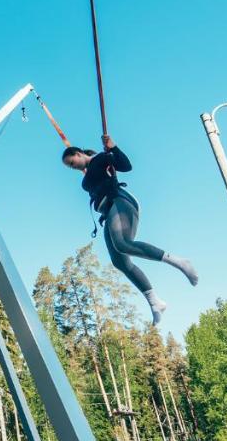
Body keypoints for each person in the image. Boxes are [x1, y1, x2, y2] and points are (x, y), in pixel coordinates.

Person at [62, 135, 198, 324]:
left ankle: (181, 262)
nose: (72, 167)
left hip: (120, 202)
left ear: (78, 153)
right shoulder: (88, 175)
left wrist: (114, 148)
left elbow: (126, 166)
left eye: (72, 162)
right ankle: (155, 302)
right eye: (69, 166)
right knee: (120, 262)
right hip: (109, 212)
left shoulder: (101, 158)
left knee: (123, 243)